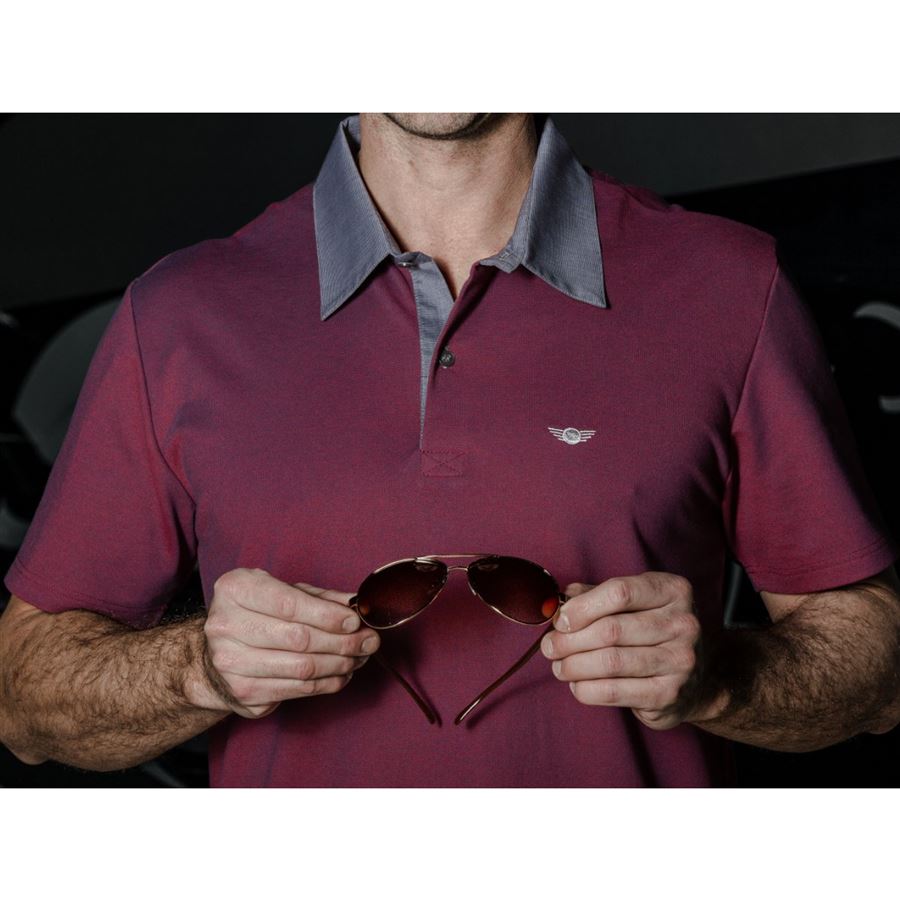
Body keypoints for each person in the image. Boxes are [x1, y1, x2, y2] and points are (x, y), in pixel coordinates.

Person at [1, 112, 898, 787]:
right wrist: (197, 668)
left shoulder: (730, 286)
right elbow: (23, 698)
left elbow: (881, 672)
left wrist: (723, 679)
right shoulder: (179, 313)